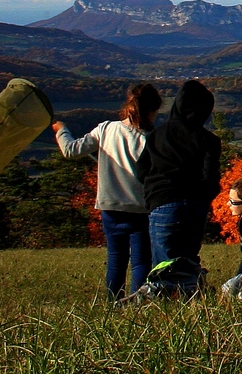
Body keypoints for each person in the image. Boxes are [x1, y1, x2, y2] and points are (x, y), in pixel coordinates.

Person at [52, 82, 161, 299]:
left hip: (110, 206)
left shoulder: (106, 129)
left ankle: (114, 302)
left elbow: (71, 150)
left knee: (116, 258)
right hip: (141, 208)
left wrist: (61, 129)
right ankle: (137, 304)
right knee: (141, 261)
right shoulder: (154, 138)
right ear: (154, 109)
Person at [134, 79, 222, 299]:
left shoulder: (157, 135)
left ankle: (167, 309)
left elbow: (141, 171)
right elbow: (211, 179)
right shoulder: (208, 140)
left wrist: (156, 188)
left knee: (164, 265)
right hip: (195, 206)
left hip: (163, 203)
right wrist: (202, 198)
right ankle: (191, 298)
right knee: (189, 260)